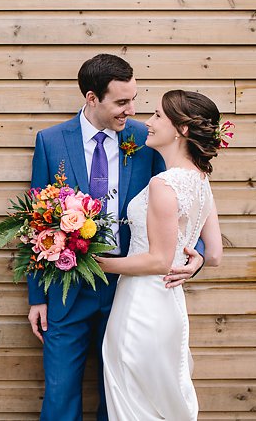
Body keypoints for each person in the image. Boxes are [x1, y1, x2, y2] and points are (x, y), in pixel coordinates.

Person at [27, 54, 204, 421]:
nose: (131, 109)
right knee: (59, 395)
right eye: (122, 102)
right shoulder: (51, 141)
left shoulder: (145, 138)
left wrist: (194, 254)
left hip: (130, 287)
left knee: (120, 396)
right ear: (92, 99)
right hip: (66, 287)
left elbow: (181, 195)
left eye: (134, 99)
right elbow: (37, 222)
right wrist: (37, 296)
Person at [95, 90, 224, 420]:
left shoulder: (163, 184)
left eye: (156, 116)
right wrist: (191, 261)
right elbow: (214, 254)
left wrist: (97, 264)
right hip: (171, 308)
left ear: (181, 129)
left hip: (141, 307)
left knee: (133, 403)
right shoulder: (200, 180)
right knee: (161, 401)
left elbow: (158, 260)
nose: (148, 123)